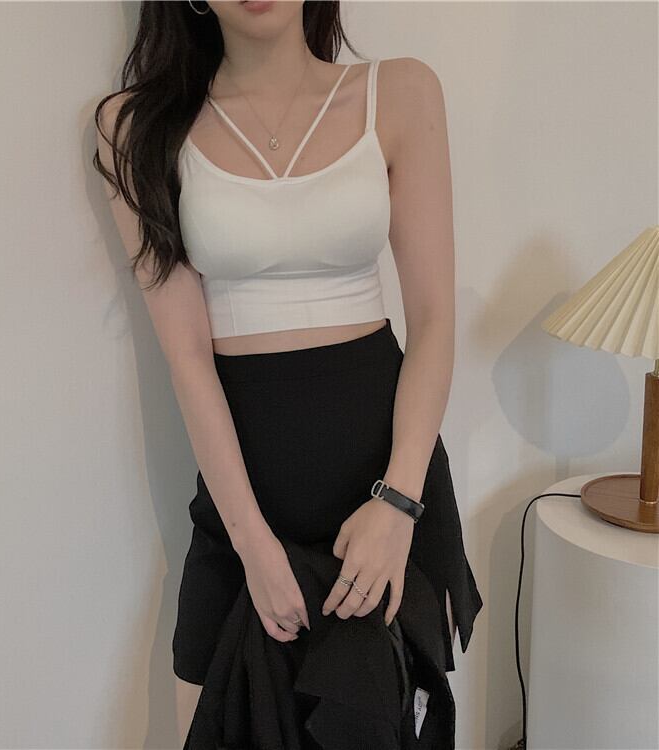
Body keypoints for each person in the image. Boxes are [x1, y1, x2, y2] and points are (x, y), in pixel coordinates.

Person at [94, 2, 483, 747]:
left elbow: (434, 319)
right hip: (245, 506)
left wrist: (399, 504)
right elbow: (187, 356)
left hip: (385, 496)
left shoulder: (401, 93)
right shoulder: (136, 127)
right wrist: (252, 545)